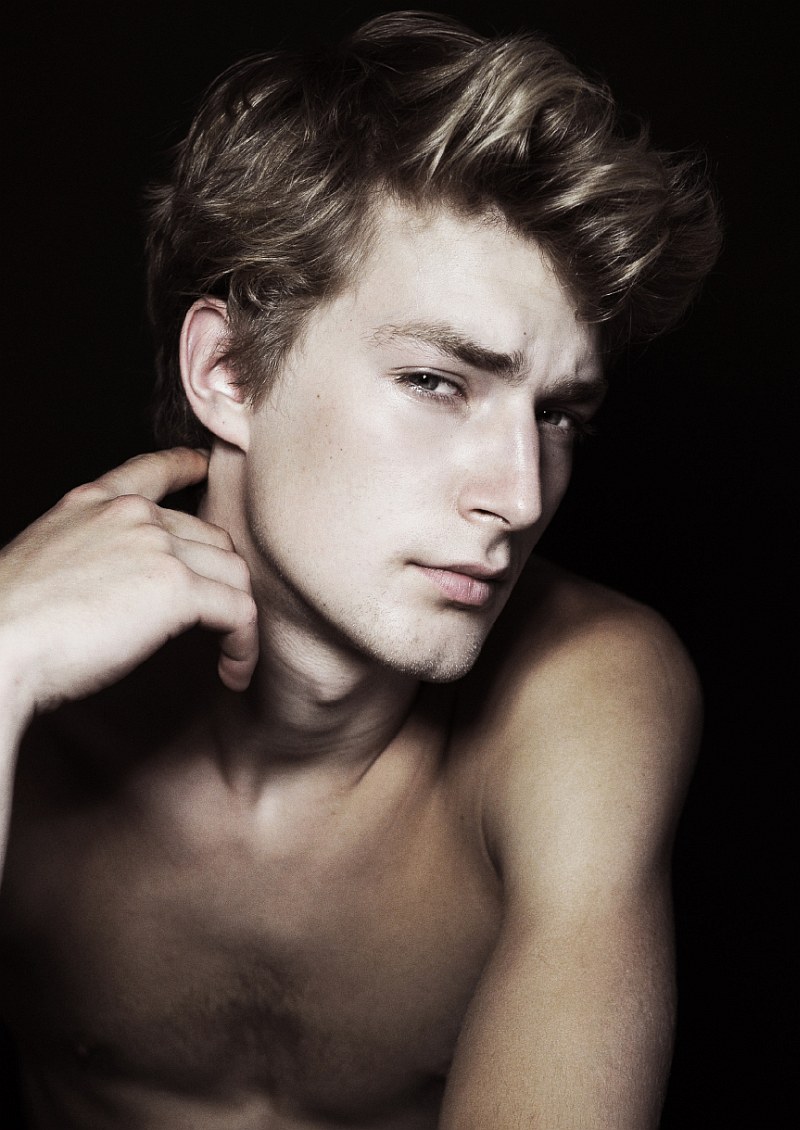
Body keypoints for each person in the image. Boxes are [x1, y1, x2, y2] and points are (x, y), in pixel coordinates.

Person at [0, 11, 721, 1129]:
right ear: (229, 371)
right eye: (437, 382)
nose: (520, 496)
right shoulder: (32, 681)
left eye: (558, 416)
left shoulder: (579, 685)